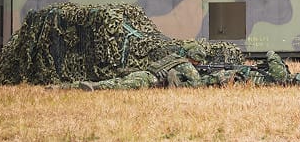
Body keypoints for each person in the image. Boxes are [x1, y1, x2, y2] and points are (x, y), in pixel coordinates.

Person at [77, 41, 207, 91]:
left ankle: (78, 85)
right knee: (120, 85)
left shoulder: (174, 59)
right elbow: (196, 83)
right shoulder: (185, 65)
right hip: (147, 80)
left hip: (144, 75)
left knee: (118, 82)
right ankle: (94, 86)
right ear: (195, 56)